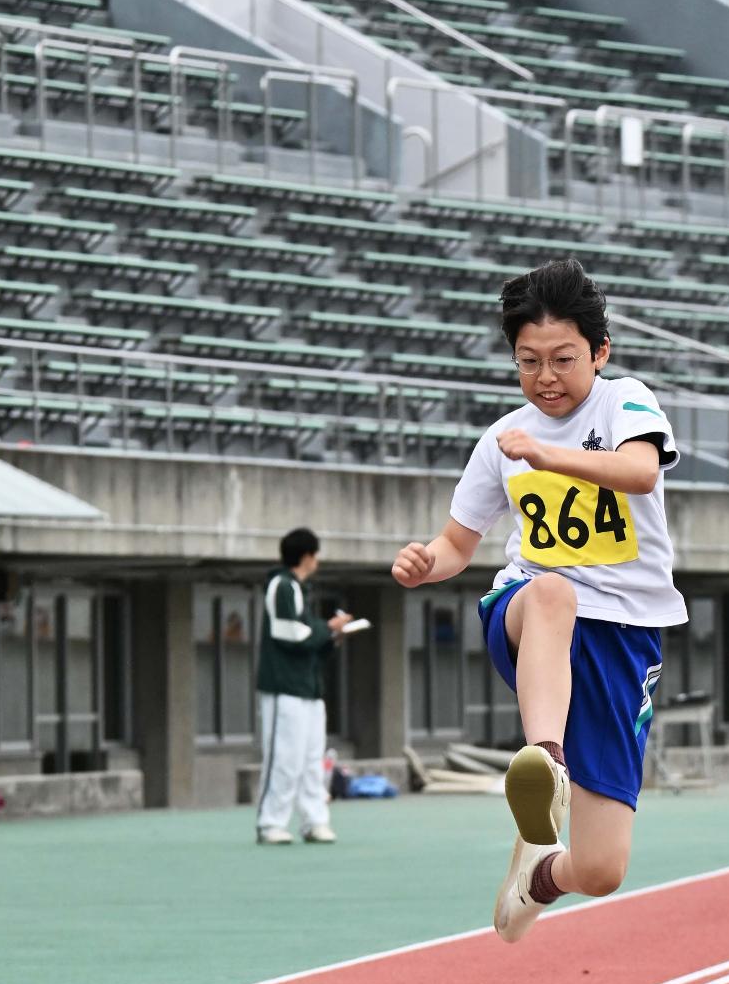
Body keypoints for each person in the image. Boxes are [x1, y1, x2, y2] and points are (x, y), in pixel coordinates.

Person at [390, 257, 687, 943]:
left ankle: (539, 875)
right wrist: (422, 563)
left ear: (599, 352)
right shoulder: (502, 440)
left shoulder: (624, 402)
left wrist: (552, 458)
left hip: (624, 634)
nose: (545, 378)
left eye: (562, 359)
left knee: (603, 866)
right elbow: (456, 545)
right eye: (528, 362)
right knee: (553, 589)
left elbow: (640, 471)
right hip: (530, 616)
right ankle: (544, 760)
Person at [254, 526, 351, 846]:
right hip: (284, 688)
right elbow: (288, 632)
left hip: (308, 688)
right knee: (283, 757)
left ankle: (314, 821)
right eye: (316, 554)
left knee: (311, 758)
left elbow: (305, 635)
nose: (317, 561)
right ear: (307, 556)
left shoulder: (297, 588)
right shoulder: (281, 585)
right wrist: (328, 628)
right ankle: (271, 823)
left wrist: (329, 634)